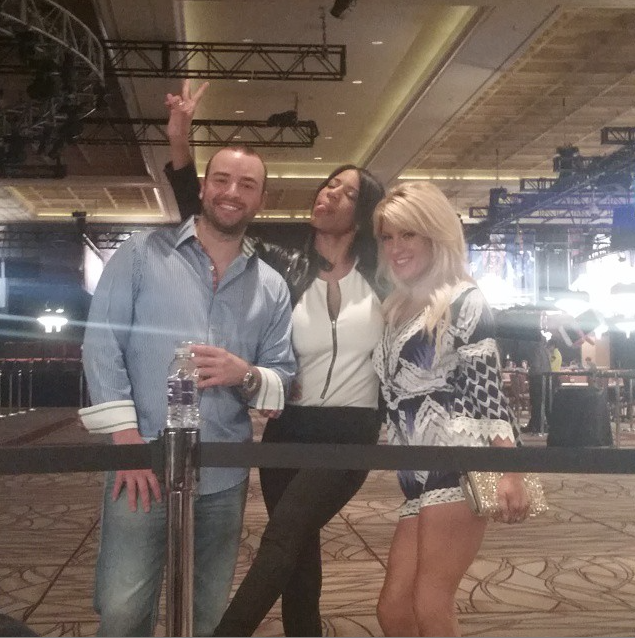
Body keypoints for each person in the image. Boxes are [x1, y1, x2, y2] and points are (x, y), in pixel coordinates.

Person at [164, 80, 386, 636]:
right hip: (288, 430)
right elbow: (211, 213)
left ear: (363, 214)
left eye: (345, 192)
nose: (328, 194)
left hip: (351, 434)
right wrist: (181, 146)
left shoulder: (382, 278)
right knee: (299, 561)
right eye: (328, 184)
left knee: (283, 537)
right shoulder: (283, 261)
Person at [78, 142, 296, 636]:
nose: (232, 192)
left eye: (247, 185)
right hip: (141, 462)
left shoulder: (271, 286)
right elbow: (102, 344)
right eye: (222, 179)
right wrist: (126, 443)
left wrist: (246, 373)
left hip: (223, 471)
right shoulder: (141, 254)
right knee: (123, 609)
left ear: (260, 199)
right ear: (202, 187)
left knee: (207, 610)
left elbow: (281, 374)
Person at [371, 181, 529, 637]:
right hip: (414, 470)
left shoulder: (463, 299)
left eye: (409, 234)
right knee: (394, 610)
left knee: (430, 605)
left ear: (435, 234)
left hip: (458, 461)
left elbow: (487, 391)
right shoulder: (397, 306)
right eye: (388, 236)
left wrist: (510, 470)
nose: (396, 247)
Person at [522, 336, 551, 434]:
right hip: (546, 379)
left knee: (536, 403)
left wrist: (529, 373)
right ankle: (539, 424)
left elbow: (536, 366)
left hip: (537, 379)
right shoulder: (546, 351)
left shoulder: (536, 349)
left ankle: (536, 425)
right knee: (542, 404)